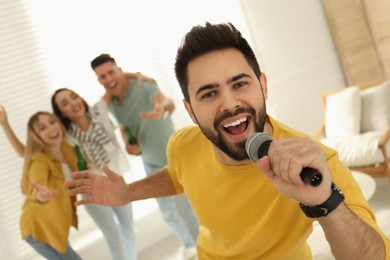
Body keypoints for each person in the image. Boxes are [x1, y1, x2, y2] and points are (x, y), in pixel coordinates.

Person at [65, 22, 390, 259]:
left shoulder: (317, 165)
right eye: (209, 93)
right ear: (191, 111)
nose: (229, 104)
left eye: (239, 84)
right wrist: (127, 193)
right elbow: (180, 175)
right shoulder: (182, 144)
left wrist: (326, 203)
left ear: (263, 86)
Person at [90, 53, 199, 260]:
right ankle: (190, 246)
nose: (108, 79)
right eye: (102, 76)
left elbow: (166, 102)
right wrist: (131, 146)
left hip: (172, 159)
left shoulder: (142, 86)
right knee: (168, 214)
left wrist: (161, 109)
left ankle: (204, 251)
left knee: (186, 213)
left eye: (111, 72)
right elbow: (128, 135)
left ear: (120, 70)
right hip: (149, 162)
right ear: (98, 81)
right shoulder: (110, 105)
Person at [51, 87, 138, 260]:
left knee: (129, 231)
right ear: (61, 114)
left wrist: (137, 75)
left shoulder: (99, 111)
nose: (73, 103)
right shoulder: (65, 137)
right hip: (91, 189)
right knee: (115, 239)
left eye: (74, 96)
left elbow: (112, 84)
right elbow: (30, 149)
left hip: (116, 182)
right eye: (65, 103)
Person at [0, 108, 81, 259]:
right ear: (36, 136)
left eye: (52, 122)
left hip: (55, 222)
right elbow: (36, 187)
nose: (51, 128)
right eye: (42, 128)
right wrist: (41, 195)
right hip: (38, 228)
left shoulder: (66, 149)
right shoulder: (39, 161)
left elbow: (23, 152)